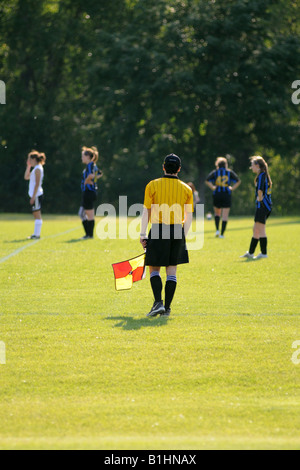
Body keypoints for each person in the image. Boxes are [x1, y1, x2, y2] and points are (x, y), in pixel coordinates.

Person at [140, 153, 193, 317]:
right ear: (179, 169)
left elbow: (146, 211)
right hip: (177, 230)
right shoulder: (187, 189)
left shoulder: (152, 185)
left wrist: (143, 233)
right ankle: (167, 309)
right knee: (172, 272)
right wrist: (182, 235)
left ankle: (158, 303)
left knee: (154, 269)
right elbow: (189, 216)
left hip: (157, 229)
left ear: (163, 167)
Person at [240, 156, 272, 260]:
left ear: (257, 165)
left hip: (262, 206)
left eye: (252, 165)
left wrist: (259, 198)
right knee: (256, 229)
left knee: (260, 229)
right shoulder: (262, 175)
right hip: (263, 206)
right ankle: (250, 252)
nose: (251, 167)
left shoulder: (262, 176)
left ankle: (264, 253)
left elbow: (260, 190)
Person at [205, 157, 241, 238]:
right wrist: (232, 188)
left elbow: (207, 180)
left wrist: (213, 187)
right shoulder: (229, 172)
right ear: (225, 164)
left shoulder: (215, 172)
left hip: (217, 194)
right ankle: (222, 234)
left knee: (217, 213)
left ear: (217, 164)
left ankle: (217, 230)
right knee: (225, 215)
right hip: (226, 194)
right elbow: (238, 181)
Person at [79, 146, 102, 239]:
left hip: (89, 192)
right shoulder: (91, 165)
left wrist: (87, 180)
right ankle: (88, 234)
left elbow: (94, 174)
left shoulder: (90, 164)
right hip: (87, 192)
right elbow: (99, 174)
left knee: (89, 215)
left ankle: (89, 235)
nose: (82, 158)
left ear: (88, 156)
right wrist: (93, 179)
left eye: (83, 156)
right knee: (81, 213)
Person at [24, 150, 46, 239]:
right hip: (35, 195)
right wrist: (28, 166)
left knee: (37, 214)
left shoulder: (38, 169)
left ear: (34, 159)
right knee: (35, 214)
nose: (28, 161)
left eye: (29, 159)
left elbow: (37, 184)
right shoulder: (35, 168)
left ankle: (37, 234)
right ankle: (36, 234)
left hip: (36, 195)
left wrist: (33, 197)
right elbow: (26, 177)